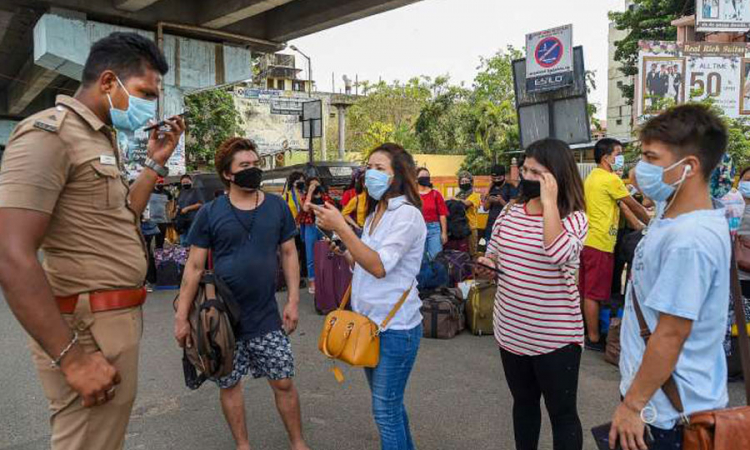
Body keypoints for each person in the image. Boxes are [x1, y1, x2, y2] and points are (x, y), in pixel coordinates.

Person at [0, 32, 185, 449]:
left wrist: (156, 161)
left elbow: (122, 214)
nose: (149, 107)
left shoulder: (99, 138)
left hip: (114, 319)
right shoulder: (49, 135)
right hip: (85, 330)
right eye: (143, 92)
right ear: (107, 82)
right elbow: (11, 254)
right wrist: (73, 358)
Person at [608, 105, 731, 450]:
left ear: (688, 167)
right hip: (657, 401)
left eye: (651, 158)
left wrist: (632, 405)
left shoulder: (690, 240)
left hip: (670, 417)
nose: (638, 170)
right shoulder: (672, 218)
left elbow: (671, 333)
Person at [174, 137, 309, 450]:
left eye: (255, 164)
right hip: (221, 320)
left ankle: (298, 443)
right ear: (228, 174)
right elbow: (193, 267)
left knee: (284, 381)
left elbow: (289, 253)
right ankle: (243, 445)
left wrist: (292, 300)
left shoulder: (276, 206)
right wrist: (182, 318)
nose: (253, 170)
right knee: (230, 384)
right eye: (244, 166)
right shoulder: (210, 212)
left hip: (266, 316)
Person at [475, 139, 588, 450]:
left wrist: (550, 203)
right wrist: (487, 264)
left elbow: (557, 252)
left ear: (556, 176)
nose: (525, 176)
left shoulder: (575, 218)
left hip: (555, 339)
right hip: (511, 332)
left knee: (562, 415)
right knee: (523, 406)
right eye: (524, 169)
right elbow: (495, 252)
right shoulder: (511, 211)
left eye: (535, 172)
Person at [312, 143, 426, 450]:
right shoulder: (378, 212)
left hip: (395, 328)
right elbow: (364, 262)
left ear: (398, 176)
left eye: (379, 168)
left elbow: (378, 266)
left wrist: (342, 227)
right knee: (390, 407)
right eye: (368, 166)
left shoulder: (408, 215)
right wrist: (344, 245)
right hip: (370, 325)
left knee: (385, 410)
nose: (369, 174)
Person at [580, 138, 650, 352]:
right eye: (618, 153)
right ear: (606, 157)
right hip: (600, 242)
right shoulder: (610, 179)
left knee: (586, 290)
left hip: (588, 240)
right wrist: (655, 224)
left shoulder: (592, 177)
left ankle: (587, 332)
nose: (620, 158)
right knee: (593, 293)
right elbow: (634, 206)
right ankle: (593, 338)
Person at [296, 176, 332, 295]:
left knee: (326, 253)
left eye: (316, 184)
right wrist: (310, 192)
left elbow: (331, 208)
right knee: (310, 255)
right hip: (310, 227)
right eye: (312, 185)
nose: (315, 187)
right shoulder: (305, 197)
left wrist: (321, 191)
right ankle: (312, 282)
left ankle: (325, 280)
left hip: (323, 227)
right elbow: (306, 208)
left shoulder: (325, 196)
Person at [417, 167, 449, 259]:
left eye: (427, 176)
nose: (425, 177)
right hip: (418, 229)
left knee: (436, 258)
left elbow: (442, 215)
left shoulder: (436, 194)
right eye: (422, 176)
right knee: (420, 259)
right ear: (416, 178)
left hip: (434, 229)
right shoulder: (412, 195)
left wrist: (444, 233)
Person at [483, 164, 520, 243]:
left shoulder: (510, 188)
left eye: (499, 178)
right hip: (491, 226)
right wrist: (489, 201)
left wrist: (501, 200)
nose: (496, 180)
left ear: (504, 176)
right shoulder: (491, 187)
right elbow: (485, 208)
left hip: (505, 227)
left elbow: (512, 210)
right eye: (494, 178)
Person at [450, 171, 482, 255]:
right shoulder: (457, 195)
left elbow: (467, 203)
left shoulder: (475, 195)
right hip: (460, 228)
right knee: (461, 252)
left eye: (466, 182)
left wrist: (454, 200)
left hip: (471, 228)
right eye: (462, 182)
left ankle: (473, 268)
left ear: (471, 183)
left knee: (472, 252)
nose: (464, 183)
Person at [175, 174, 203, 245]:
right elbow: (178, 203)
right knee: (183, 241)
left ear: (191, 182)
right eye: (183, 183)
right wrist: (177, 208)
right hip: (182, 221)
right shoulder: (181, 192)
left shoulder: (196, 191)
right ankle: (184, 255)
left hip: (192, 219)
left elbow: (200, 204)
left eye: (187, 182)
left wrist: (187, 208)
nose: (185, 184)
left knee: (191, 241)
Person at [148, 176, 173, 243]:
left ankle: (159, 253)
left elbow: (171, 201)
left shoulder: (167, 193)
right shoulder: (149, 191)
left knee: (160, 241)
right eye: (159, 182)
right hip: (151, 220)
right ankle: (149, 253)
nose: (160, 184)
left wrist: (170, 210)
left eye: (162, 183)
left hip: (163, 221)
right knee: (148, 241)